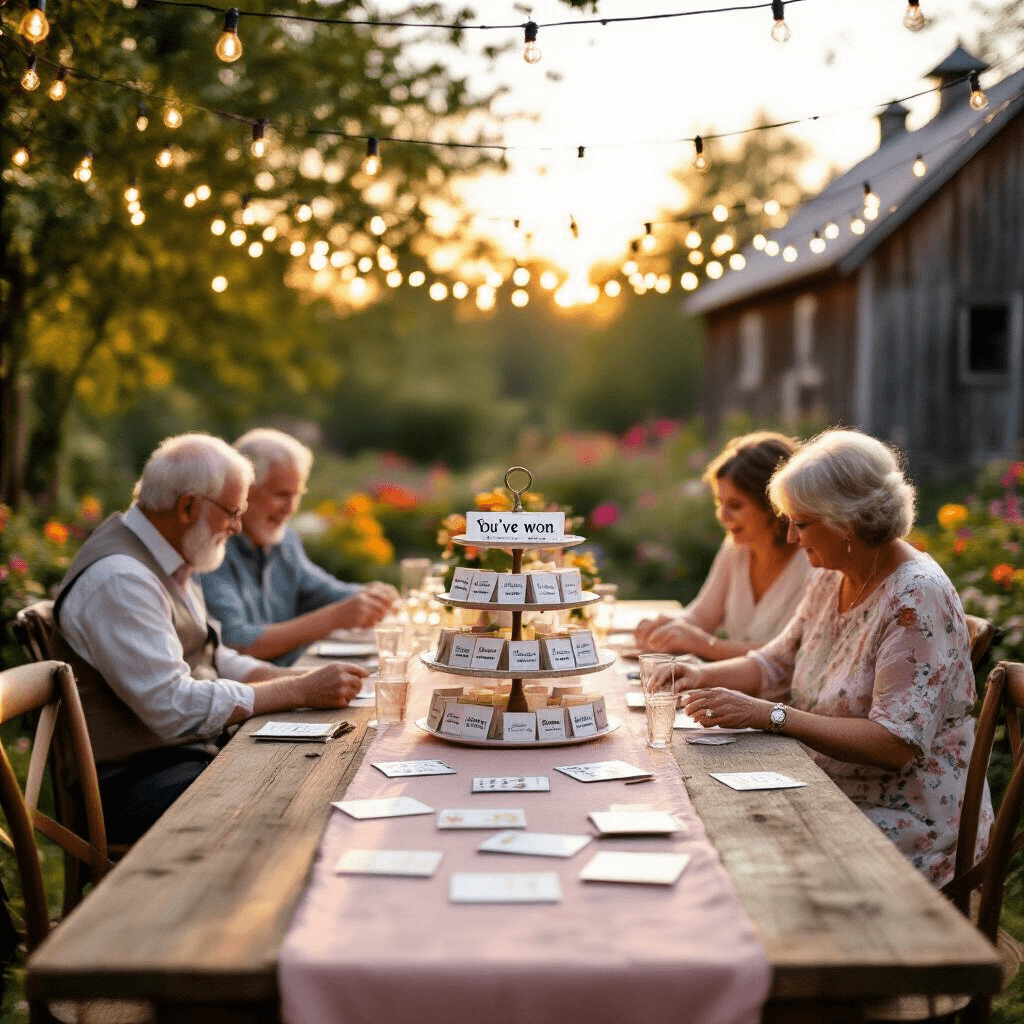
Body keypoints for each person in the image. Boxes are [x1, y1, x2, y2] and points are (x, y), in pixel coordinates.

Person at [663, 429, 991, 886]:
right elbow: (776, 662)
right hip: (826, 788)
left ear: (850, 520)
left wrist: (770, 715)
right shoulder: (831, 574)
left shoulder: (916, 597)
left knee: (740, 851)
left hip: (905, 817)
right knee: (704, 816)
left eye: (803, 522)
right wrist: (696, 674)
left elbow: (894, 744)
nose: (792, 536)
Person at [52, 433, 368, 843]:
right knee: (301, 799)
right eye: (232, 512)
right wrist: (296, 689)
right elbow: (172, 707)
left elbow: (214, 653)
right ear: (187, 506)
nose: (237, 527)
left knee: (325, 765)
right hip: (132, 786)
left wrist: (282, 678)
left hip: (180, 760)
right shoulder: (122, 578)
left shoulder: (171, 554)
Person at [200, 428, 398, 666]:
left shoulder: (285, 541)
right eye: (282, 495)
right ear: (243, 490)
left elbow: (326, 592)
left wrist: (372, 596)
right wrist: (335, 617)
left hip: (294, 678)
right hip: (253, 693)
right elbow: (236, 641)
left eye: (296, 495)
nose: (291, 508)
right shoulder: (212, 548)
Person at [635, 431, 811, 660]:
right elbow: (702, 616)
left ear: (773, 506)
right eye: (720, 502)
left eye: (735, 505)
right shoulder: (736, 548)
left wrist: (705, 645)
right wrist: (667, 626)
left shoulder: (811, 563)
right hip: (726, 688)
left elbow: (787, 655)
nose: (722, 516)